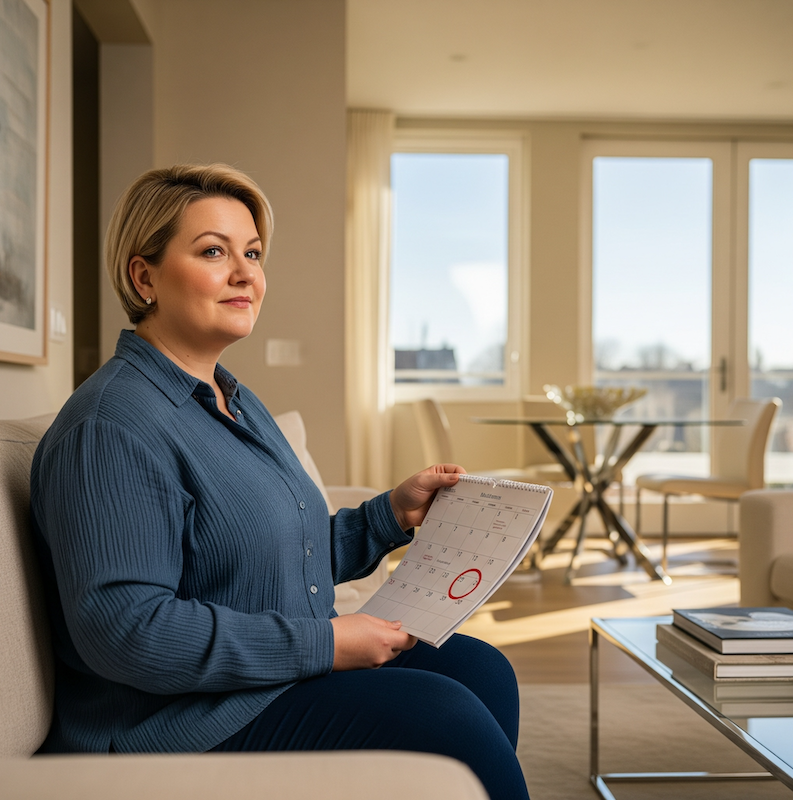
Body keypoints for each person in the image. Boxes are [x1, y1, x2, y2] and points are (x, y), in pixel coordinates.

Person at [30, 164, 529, 799]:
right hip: (172, 721)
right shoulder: (113, 425)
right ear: (144, 275)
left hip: (256, 681)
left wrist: (390, 516)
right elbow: (129, 633)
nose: (246, 273)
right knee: (447, 718)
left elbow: (273, 557)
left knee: (482, 669)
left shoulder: (232, 398)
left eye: (254, 253)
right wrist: (326, 642)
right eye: (214, 251)